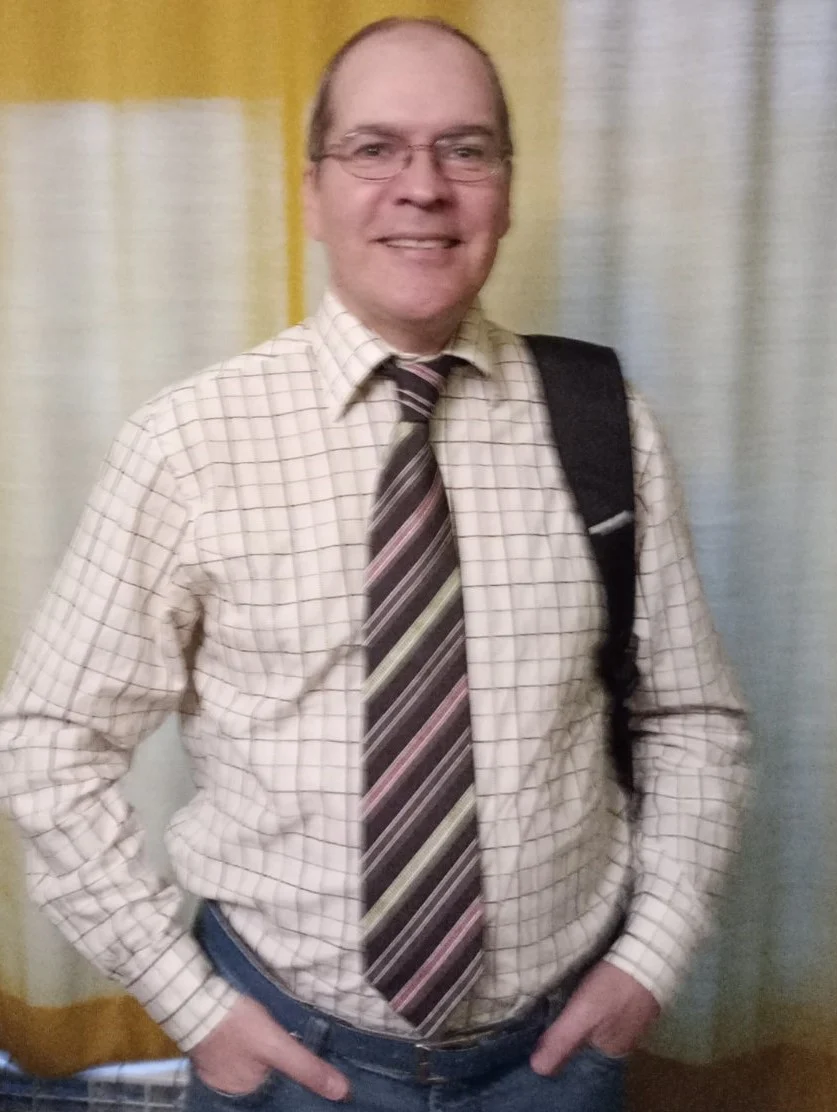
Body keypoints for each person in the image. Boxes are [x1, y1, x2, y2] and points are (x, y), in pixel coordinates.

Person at [0, 17, 749, 1111]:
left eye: (464, 149)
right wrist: (191, 1005)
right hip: (288, 1059)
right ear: (312, 192)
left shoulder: (604, 423)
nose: (423, 186)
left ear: (505, 188)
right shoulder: (190, 444)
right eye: (374, 148)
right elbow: (50, 738)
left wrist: (652, 956)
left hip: (552, 1062)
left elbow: (690, 715)